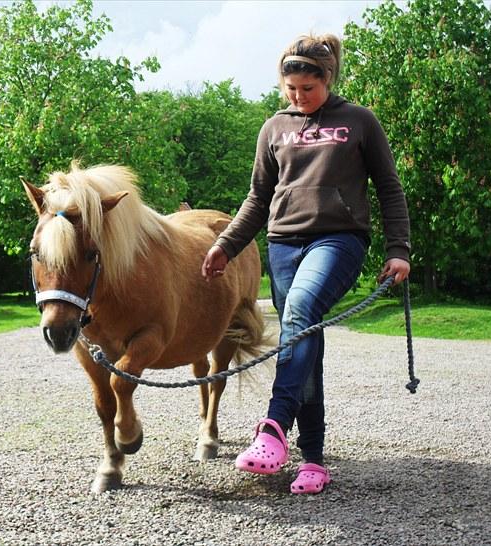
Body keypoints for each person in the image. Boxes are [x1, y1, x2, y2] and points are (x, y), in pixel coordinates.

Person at [201, 33, 411, 495]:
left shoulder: (359, 121)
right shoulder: (274, 128)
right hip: (283, 244)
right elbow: (258, 198)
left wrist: (399, 250)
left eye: (308, 89)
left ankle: (273, 425)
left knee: (299, 310)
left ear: (329, 78)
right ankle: (312, 459)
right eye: (291, 89)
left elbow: (390, 189)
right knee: (304, 337)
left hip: (339, 239)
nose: (299, 96)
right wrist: (226, 245)